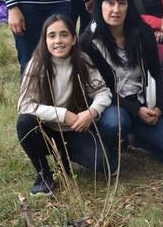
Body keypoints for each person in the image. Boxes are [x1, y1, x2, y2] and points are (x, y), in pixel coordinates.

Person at [80, 0, 163, 169]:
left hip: (143, 102)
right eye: (110, 2)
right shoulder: (89, 41)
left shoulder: (143, 33)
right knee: (115, 123)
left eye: (122, 3)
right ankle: (112, 146)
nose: (115, 9)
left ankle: (138, 138)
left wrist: (158, 105)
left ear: (129, 6)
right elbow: (100, 89)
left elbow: (155, 72)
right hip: (112, 105)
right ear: (99, 5)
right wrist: (135, 111)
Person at [17, 14, 111, 195]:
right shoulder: (37, 64)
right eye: (51, 36)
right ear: (44, 40)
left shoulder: (82, 60)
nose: (58, 41)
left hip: (75, 128)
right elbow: (24, 104)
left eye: (64, 35)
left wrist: (91, 112)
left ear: (74, 39)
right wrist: (62, 114)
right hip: (46, 130)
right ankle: (44, 173)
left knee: (104, 165)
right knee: (24, 123)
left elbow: (103, 92)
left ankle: (65, 155)